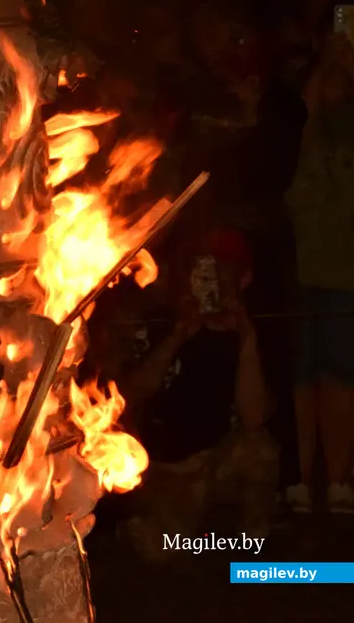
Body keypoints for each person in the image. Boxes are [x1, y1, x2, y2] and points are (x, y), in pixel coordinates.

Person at [89, 227, 275, 560]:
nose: (208, 278)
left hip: (215, 459)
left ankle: (250, 546)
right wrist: (177, 336)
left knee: (259, 450)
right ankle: (148, 527)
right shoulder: (160, 322)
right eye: (200, 267)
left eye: (220, 269)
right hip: (161, 466)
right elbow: (128, 398)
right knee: (159, 550)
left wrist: (246, 340)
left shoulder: (251, 330)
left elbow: (254, 418)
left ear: (243, 279)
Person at [285, 32, 354, 514]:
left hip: (343, 272)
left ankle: (340, 480)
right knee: (302, 376)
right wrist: (326, 60)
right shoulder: (302, 132)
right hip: (296, 268)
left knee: (339, 375)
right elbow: (301, 120)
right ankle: (302, 478)